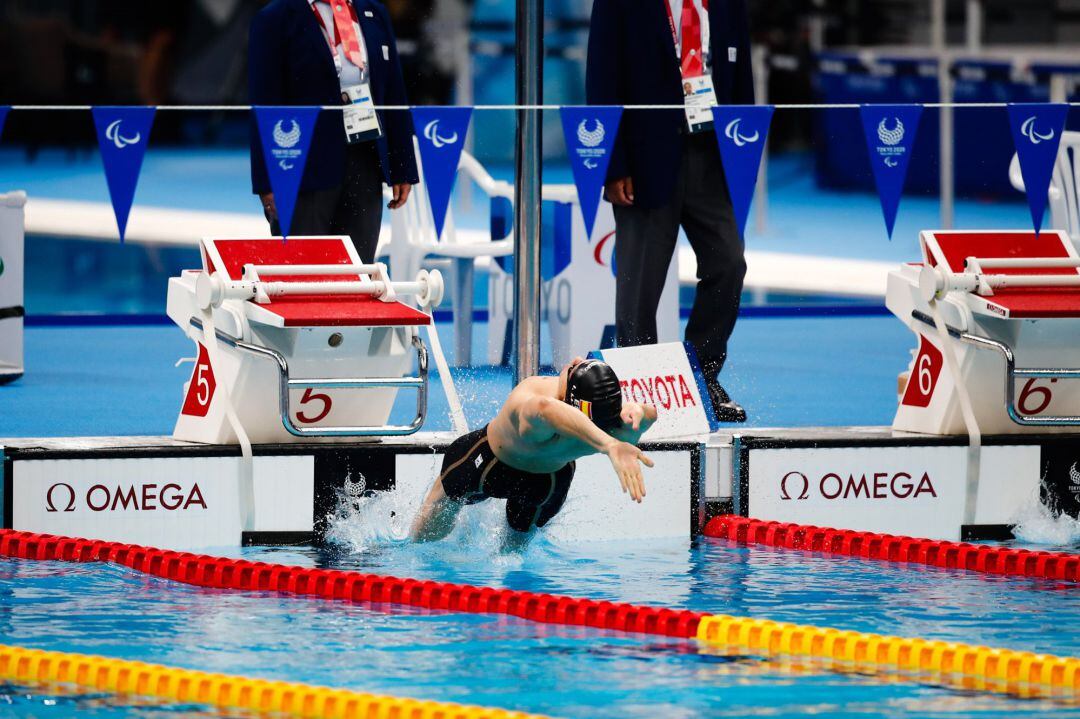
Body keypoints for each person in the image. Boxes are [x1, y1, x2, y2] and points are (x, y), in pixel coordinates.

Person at [586, 0, 754, 422]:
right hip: (644, 162)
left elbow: (741, 77)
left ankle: (702, 379)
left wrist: (741, 154)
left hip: (712, 154)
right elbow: (602, 78)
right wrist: (613, 164)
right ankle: (638, 390)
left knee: (729, 263)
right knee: (639, 288)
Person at [410, 359, 658, 549]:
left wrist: (638, 409)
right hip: (487, 464)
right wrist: (610, 445)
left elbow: (649, 415)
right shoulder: (531, 397)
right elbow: (547, 409)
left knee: (514, 559)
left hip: (545, 483)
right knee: (421, 543)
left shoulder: (609, 420)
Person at [248, 0, 419, 262]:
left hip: (366, 158)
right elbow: (263, 101)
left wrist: (403, 164)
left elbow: (393, 88)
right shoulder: (275, 17)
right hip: (301, 166)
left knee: (358, 269)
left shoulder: (373, 12)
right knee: (302, 271)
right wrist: (266, 180)